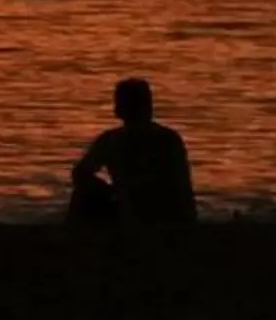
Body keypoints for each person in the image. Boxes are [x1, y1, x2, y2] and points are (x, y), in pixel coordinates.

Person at [70, 76, 195, 228]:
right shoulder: (169, 138)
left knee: (82, 196)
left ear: (119, 109)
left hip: (140, 215)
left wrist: (107, 191)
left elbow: (80, 173)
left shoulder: (112, 140)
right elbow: (184, 189)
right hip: (170, 216)